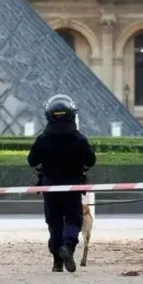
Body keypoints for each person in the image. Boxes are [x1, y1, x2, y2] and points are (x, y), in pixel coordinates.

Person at [28, 95, 96, 273]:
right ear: (72, 115)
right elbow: (91, 161)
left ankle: (57, 261)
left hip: (49, 186)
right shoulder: (79, 139)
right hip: (72, 186)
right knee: (74, 220)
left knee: (54, 223)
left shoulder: (43, 139)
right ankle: (68, 246)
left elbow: (31, 160)